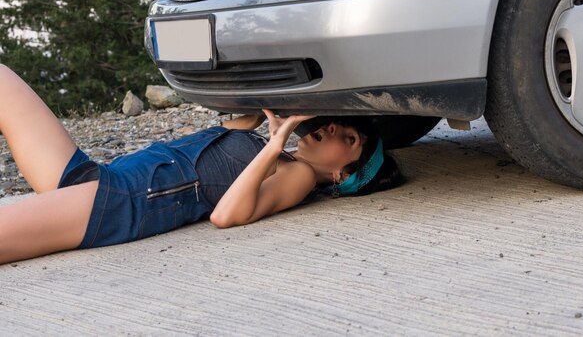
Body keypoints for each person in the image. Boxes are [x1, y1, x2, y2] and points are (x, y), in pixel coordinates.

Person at [0, 64, 404, 264]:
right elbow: (243, 105)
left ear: (340, 175)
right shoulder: (270, 147)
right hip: (96, 177)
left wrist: (274, 143)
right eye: (340, 126)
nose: (334, 129)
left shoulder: (297, 176)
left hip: (117, 202)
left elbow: (226, 215)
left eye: (348, 140)